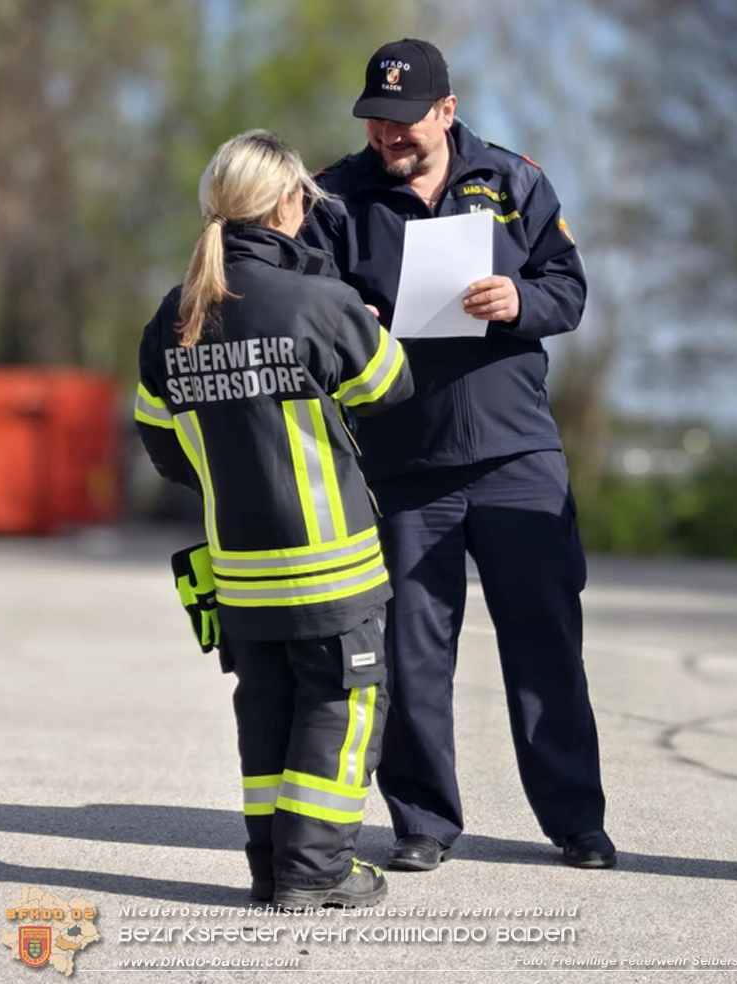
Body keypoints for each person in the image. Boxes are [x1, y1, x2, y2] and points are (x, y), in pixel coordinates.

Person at [301, 39, 616, 870]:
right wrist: (347, 320)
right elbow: (310, 308)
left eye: (404, 122)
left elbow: (570, 289)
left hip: (516, 452)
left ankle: (576, 820)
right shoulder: (335, 196)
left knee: (545, 642)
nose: (387, 137)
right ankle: (424, 824)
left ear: (445, 110)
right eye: (375, 120)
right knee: (410, 653)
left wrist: (519, 299)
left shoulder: (515, 180)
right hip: (402, 462)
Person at [134, 129, 414, 907]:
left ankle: (272, 867)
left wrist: (237, 476)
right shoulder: (317, 301)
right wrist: (358, 316)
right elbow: (389, 386)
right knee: (343, 705)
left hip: (238, 566)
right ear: (288, 202)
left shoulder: (176, 313)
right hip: (333, 563)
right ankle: (317, 872)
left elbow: (161, 443)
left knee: (268, 709)